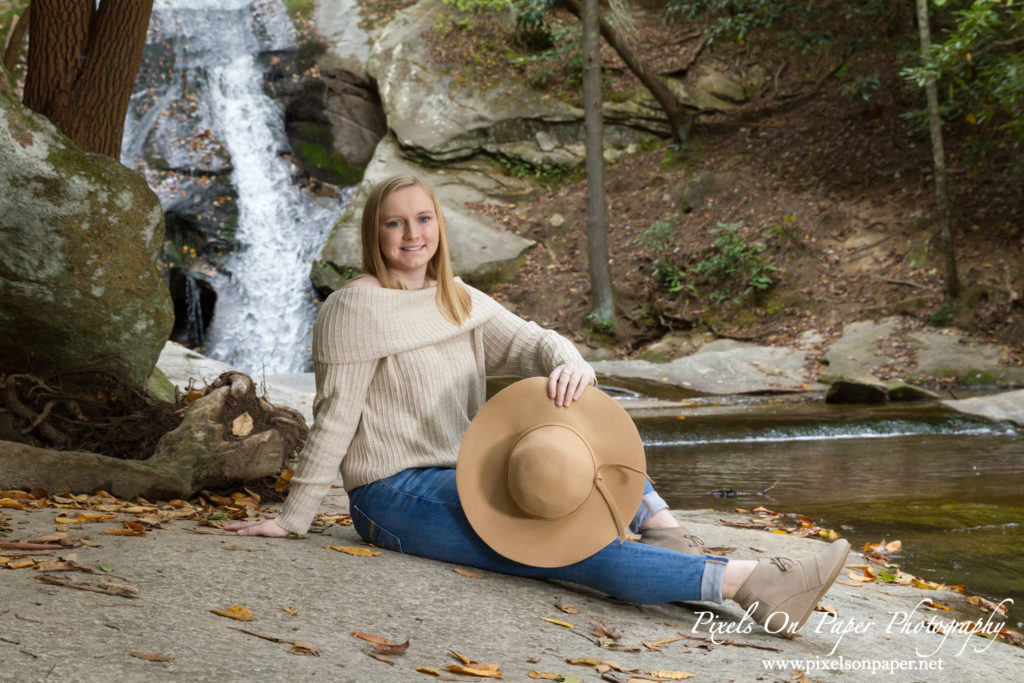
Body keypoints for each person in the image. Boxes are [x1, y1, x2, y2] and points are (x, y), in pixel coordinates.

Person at [226, 175, 849, 638]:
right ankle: (749, 583)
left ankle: (663, 533)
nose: (412, 234)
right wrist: (294, 516)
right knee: (553, 542)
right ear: (374, 233)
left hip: (464, 469)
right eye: (395, 223)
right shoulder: (354, 309)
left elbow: (535, 344)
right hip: (392, 493)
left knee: (567, 431)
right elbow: (334, 415)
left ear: (439, 227)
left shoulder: (457, 300)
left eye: (423, 219)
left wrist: (572, 364)